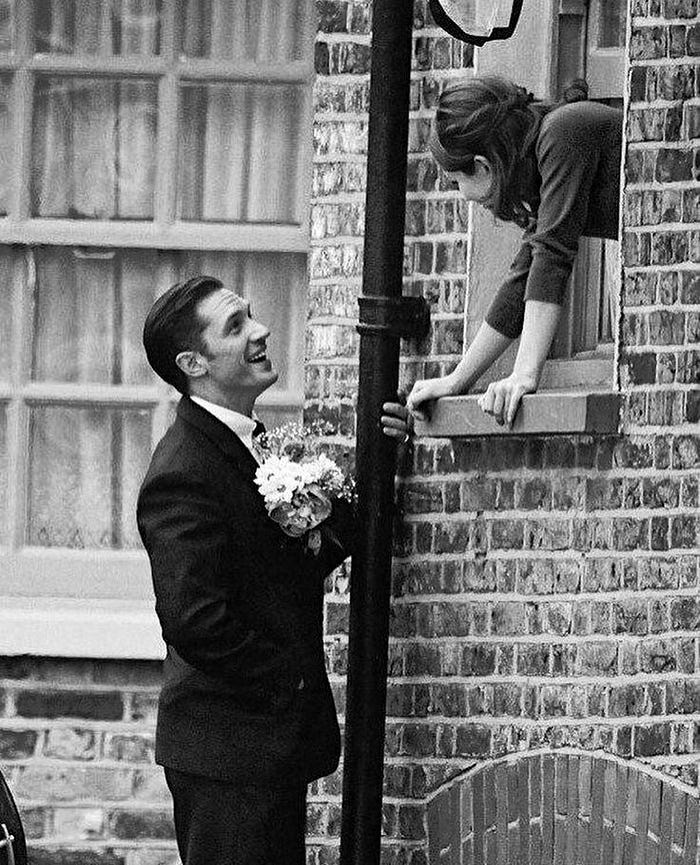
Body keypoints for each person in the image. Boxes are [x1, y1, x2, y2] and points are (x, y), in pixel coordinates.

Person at [137, 276, 355, 865]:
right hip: (226, 754)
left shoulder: (248, 444)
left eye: (251, 316)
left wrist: (382, 467)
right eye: (235, 326)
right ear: (193, 362)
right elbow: (195, 621)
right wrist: (289, 679)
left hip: (263, 751)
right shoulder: (184, 471)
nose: (259, 331)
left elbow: (287, 562)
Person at [402, 75, 622, 430]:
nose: (465, 197)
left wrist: (523, 374)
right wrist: (459, 379)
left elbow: (552, 257)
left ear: (484, 165)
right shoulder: (545, 159)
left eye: (457, 181)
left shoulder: (563, 133)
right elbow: (524, 275)